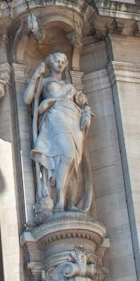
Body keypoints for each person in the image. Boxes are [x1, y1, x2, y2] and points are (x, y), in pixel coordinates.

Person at [24, 52, 92, 214]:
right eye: (57, 61)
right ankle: (59, 201)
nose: (60, 64)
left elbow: (84, 104)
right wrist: (35, 76)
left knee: (75, 163)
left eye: (63, 61)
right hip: (55, 117)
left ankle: (70, 203)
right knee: (67, 155)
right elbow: (27, 99)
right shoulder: (45, 82)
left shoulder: (71, 87)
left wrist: (87, 111)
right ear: (50, 63)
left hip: (73, 120)